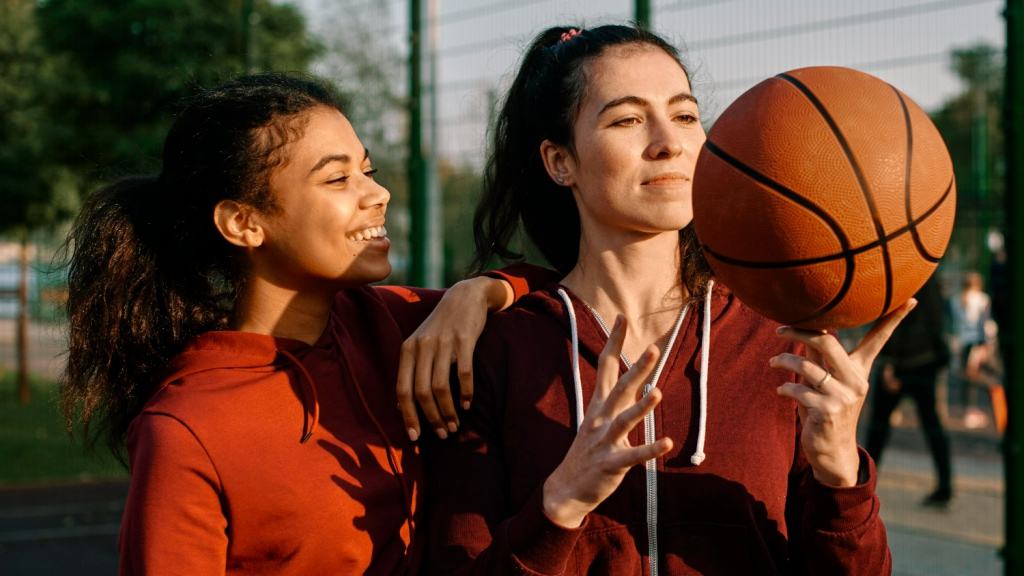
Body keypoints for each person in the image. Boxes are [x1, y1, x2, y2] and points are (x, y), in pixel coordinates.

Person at [417, 25, 912, 574]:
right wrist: (562, 503)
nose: (669, 143)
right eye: (628, 119)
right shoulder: (497, 352)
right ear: (560, 162)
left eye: (683, 115)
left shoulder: (777, 339)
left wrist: (841, 477)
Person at [59, 72, 546, 575]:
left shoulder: (399, 323)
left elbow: (562, 294)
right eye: (338, 178)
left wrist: (481, 291)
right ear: (243, 223)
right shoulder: (186, 428)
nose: (377, 193)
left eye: (368, 170)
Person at [865, 274, 953, 506]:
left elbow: (899, 319)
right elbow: (934, 319)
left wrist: (889, 361)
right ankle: (945, 486)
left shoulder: (903, 271)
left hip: (903, 362)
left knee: (879, 428)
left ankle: (864, 485)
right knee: (931, 425)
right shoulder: (929, 272)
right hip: (924, 360)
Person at [951, 271, 993, 428]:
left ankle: (968, 412)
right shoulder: (983, 299)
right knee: (973, 379)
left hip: (962, 342)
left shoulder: (956, 299)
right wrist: (984, 346)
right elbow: (984, 324)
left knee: (967, 379)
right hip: (975, 342)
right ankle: (971, 413)